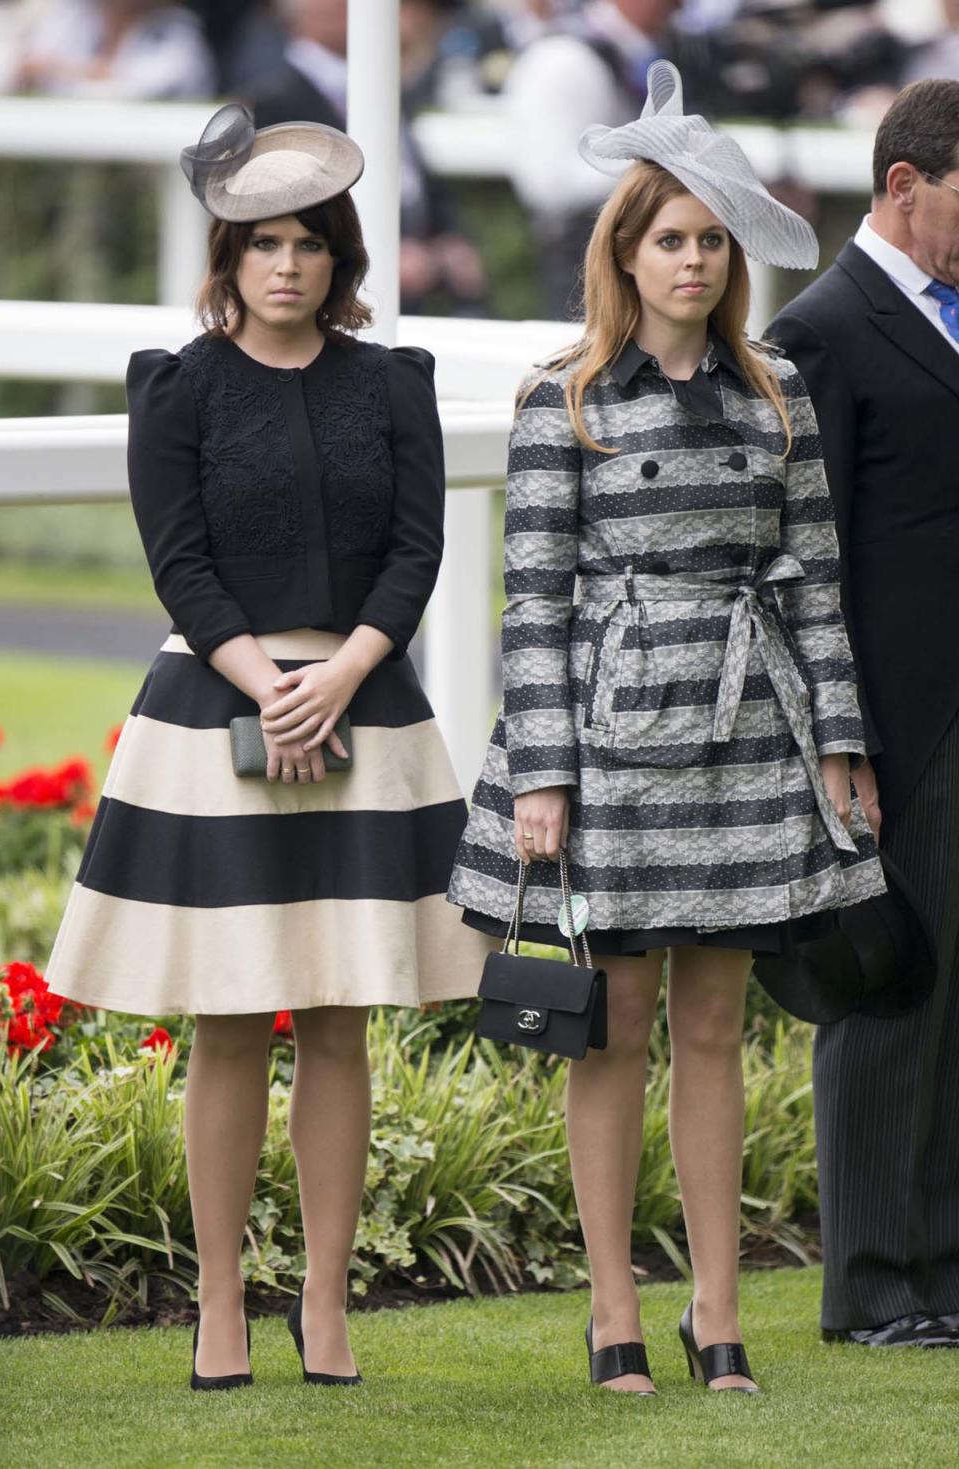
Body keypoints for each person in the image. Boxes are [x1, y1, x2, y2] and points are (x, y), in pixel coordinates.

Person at [448, 59, 885, 1394]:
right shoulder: (561, 401)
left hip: (752, 735)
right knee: (614, 1024)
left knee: (714, 1029)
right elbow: (533, 606)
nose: (692, 261)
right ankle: (610, 1312)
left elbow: (814, 581)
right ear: (624, 256)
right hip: (614, 739)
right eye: (668, 240)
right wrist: (541, 775)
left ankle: (717, 1312)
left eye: (708, 240)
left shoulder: (778, 399)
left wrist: (843, 747)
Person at [44, 102, 488, 1390]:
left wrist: (339, 674)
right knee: (233, 1022)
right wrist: (267, 685)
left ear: (339, 258)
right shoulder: (174, 388)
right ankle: (223, 1304)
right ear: (226, 258)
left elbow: (418, 548)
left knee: (342, 1018)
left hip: (366, 699)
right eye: (261, 244)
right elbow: (177, 560)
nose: (285, 264)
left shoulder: (390, 383)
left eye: (307, 243)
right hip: (215, 702)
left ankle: (329, 1304)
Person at [768, 77, 959, 1348]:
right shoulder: (822, 328)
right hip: (897, 724)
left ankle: (940, 1271)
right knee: (893, 998)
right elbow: (802, 554)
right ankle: (875, 1286)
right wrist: (837, 743)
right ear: (906, 184)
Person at [249, 0, 488, 315]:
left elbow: (417, 175)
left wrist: (451, 239)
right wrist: (377, 254)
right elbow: (292, 206)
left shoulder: (381, 81)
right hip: (345, 288)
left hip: (427, 275)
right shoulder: (277, 98)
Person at [504, 0, 680, 317]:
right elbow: (548, 183)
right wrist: (657, 163)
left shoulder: (643, 52)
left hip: (641, 254)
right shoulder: (561, 57)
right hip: (586, 257)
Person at [11, 0, 215, 98]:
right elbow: (25, 66)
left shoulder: (178, 32)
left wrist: (60, 70)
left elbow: (140, 89)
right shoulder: (73, 14)